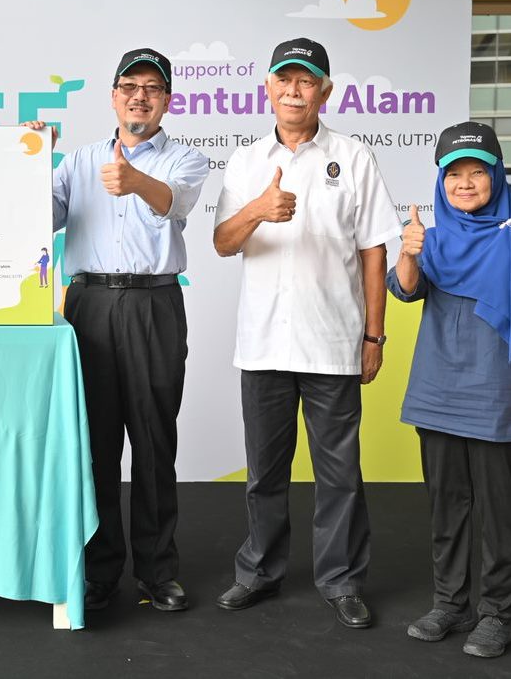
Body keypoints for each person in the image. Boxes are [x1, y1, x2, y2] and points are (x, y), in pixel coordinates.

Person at [212, 38, 401, 628]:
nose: (294, 90)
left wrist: (374, 335)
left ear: (325, 90)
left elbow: (374, 250)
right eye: (284, 80)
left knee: (339, 475)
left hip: (332, 341)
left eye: (306, 80)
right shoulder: (244, 161)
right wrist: (257, 211)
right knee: (264, 472)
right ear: (268, 87)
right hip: (264, 342)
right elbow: (222, 242)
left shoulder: (355, 155)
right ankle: (260, 572)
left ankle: (341, 580)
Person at [31, 48, 209, 614]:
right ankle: (101, 568)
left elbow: (175, 205)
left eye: (152, 88)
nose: (139, 96)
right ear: (112, 96)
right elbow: (33, 219)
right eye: (129, 86)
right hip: (88, 303)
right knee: (96, 444)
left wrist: (134, 178)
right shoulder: (77, 161)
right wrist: (32, 160)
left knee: (155, 441)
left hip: (156, 304)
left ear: (167, 101)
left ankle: (158, 572)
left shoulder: (187, 157)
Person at [388, 122, 511, 659]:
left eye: (476, 172)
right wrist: (409, 252)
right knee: (446, 505)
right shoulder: (429, 238)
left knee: (499, 510)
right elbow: (406, 291)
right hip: (437, 389)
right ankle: (450, 603)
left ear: (497, 176)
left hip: (496, 392)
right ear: (441, 181)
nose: (465, 183)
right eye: (453, 173)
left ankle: (499, 613)